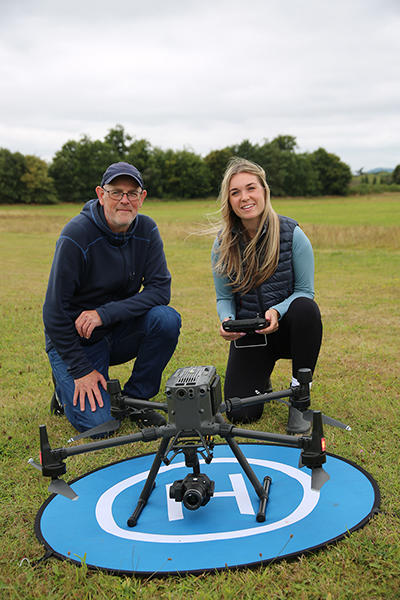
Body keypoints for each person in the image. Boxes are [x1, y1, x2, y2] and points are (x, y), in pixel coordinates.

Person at [43, 161, 181, 433]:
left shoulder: (147, 230)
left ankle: (137, 399)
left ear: (142, 198)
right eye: (116, 192)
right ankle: (64, 389)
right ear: (101, 194)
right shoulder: (76, 235)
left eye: (132, 193)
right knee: (101, 425)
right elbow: (53, 312)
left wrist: (104, 314)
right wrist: (80, 370)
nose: (124, 200)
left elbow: (160, 291)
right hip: (78, 340)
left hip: (117, 330)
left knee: (166, 319)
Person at [211, 157, 322, 433]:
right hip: (251, 337)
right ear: (228, 199)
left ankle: (300, 397)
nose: (244, 197)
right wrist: (227, 320)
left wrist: (276, 312)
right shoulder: (222, 243)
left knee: (306, 308)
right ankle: (262, 378)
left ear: (264, 191)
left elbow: (304, 292)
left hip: (288, 330)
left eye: (251, 188)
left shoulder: (293, 234)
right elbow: (224, 297)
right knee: (241, 414)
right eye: (235, 192)